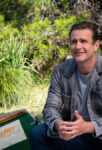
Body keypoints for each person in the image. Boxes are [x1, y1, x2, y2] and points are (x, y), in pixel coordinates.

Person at [30, 21, 102, 150]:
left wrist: (90, 127)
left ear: (96, 45)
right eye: (74, 42)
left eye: (83, 41)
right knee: (37, 134)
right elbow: (51, 106)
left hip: (99, 134)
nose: (77, 46)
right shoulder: (62, 71)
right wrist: (58, 124)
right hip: (74, 132)